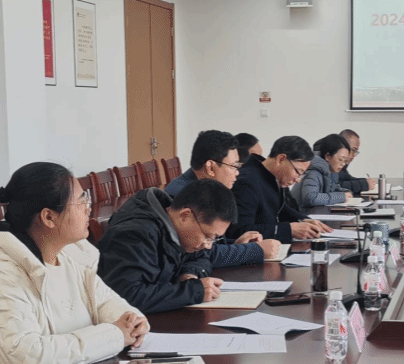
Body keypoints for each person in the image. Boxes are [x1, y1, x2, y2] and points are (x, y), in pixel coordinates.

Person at [0, 162, 148, 364]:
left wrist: (131, 321)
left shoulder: (68, 255)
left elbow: (104, 300)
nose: (89, 208)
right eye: (81, 201)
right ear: (49, 217)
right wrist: (115, 335)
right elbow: (27, 359)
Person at [96, 179, 234, 314]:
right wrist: (194, 291)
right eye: (208, 236)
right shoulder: (136, 234)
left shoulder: (177, 227)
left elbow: (202, 256)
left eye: (214, 239)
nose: (208, 245)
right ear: (184, 216)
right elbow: (127, 296)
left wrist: (188, 273)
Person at [164, 130, 281, 264]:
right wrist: (255, 251)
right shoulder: (181, 194)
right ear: (211, 168)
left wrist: (236, 244)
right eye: (234, 166)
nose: (237, 173)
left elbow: (209, 244)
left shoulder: (205, 190)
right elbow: (197, 254)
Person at [228, 135, 333, 242]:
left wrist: (304, 220)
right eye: (298, 172)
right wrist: (289, 229)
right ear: (281, 159)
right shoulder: (247, 181)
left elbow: (281, 208)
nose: (298, 180)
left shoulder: (269, 176)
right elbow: (239, 231)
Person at [292, 133, 354, 209]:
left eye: (345, 160)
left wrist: (345, 192)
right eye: (341, 159)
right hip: (300, 213)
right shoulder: (314, 171)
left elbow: (332, 189)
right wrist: (341, 197)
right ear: (328, 156)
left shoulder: (331, 171)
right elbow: (310, 198)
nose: (343, 164)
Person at [336, 129, 376, 194]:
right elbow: (335, 186)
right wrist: (364, 185)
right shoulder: (330, 160)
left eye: (356, 151)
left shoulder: (341, 162)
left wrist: (364, 181)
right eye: (353, 150)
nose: (354, 155)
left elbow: (347, 178)